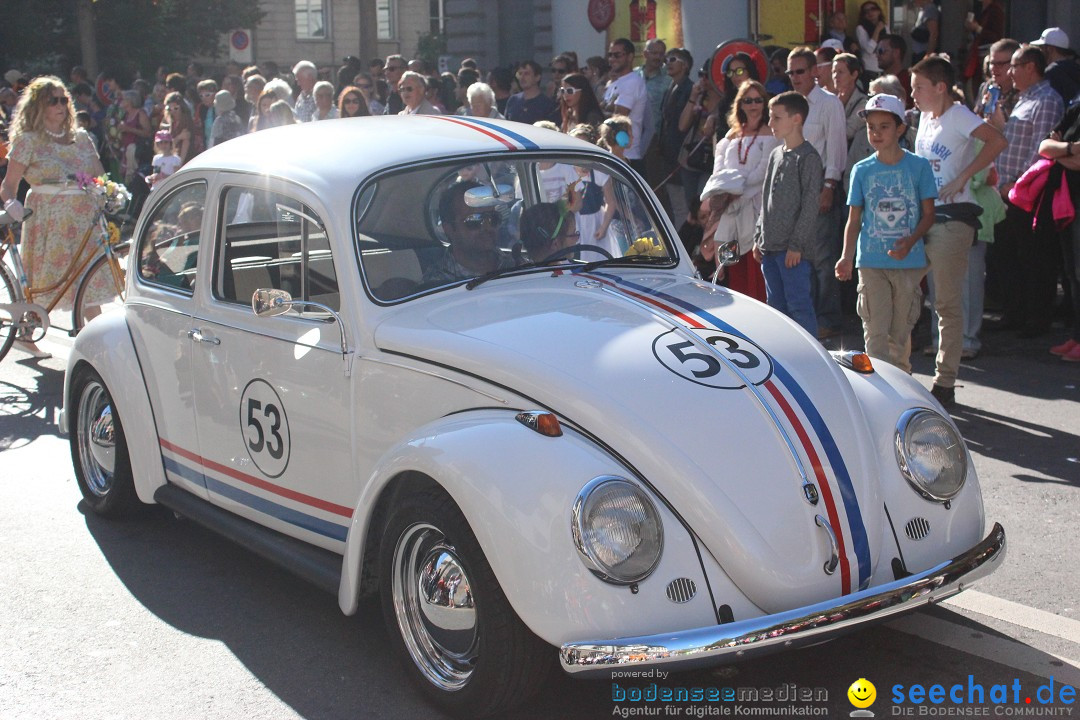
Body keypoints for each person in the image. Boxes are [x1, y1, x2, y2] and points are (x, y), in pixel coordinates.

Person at [911, 56, 1007, 407]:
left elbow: (997, 140)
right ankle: (902, 371)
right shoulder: (924, 117)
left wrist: (964, 176)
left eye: (919, 87)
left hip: (954, 216)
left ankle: (945, 381)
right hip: (924, 214)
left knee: (946, 300)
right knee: (906, 292)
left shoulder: (960, 115)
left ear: (939, 87)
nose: (914, 94)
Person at [0, 77, 107, 356]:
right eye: (54, 100)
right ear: (39, 106)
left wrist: (107, 191)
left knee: (87, 278)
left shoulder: (81, 138)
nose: (61, 105)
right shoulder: (28, 140)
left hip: (84, 216)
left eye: (64, 100)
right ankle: (29, 331)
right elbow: (8, 184)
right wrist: (11, 203)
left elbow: (99, 175)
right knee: (51, 279)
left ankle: (100, 340)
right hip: (49, 217)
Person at [836, 94, 937, 375]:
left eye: (884, 126)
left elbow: (929, 214)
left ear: (900, 129)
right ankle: (879, 392)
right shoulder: (862, 170)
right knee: (875, 332)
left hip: (908, 263)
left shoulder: (919, 167)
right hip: (870, 262)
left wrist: (911, 241)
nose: (876, 133)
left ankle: (902, 387)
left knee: (900, 335)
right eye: (871, 127)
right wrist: (846, 257)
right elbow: (854, 219)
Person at [989, 44, 1065, 338]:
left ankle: (1036, 318)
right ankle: (1015, 312)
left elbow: (1039, 149)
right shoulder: (1023, 98)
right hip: (1005, 189)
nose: (1009, 73)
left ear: (1030, 67)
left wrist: (1018, 183)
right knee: (1008, 254)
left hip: (1027, 192)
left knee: (1033, 257)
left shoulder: (1046, 99)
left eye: (1014, 66)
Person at [787, 46, 847, 339]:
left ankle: (829, 319)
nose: (795, 77)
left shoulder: (828, 103)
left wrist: (829, 186)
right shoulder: (788, 104)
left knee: (823, 259)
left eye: (800, 71)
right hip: (794, 190)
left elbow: (836, 149)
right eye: (790, 72)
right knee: (800, 258)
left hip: (820, 185)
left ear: (814, 72)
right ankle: (805, 317)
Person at [752, 91, 823, 335]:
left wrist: (796, 245)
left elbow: (810, 205)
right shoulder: (775, 154)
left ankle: (809, 360)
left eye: (776, 118)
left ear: (796, 119)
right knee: (776, 309)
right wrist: (759, 236)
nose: (770, 123)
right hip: (770, 247)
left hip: (793, 252)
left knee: (799, 307)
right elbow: (765, 198)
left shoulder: (809, 157)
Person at [699, 80, 777, 302]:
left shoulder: (771, 134)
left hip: (757, 207)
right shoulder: (729, 138)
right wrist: (726, 194)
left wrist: (736, 191)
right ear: (740, 104)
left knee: (756, 265)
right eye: (748, 100)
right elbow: (719, 171)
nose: (753, 105)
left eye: (758, 100)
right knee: (734, 267)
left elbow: (763, 171)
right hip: (730, 209)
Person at [1039, 104, 1080, 362]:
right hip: (1068, 204)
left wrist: (1060, 151)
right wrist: (1071, 149)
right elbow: (1044, 147)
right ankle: (1077, 336)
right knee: (1072, 274)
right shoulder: (1076, 110)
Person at [424, 180, 512, 284]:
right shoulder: (435, 284)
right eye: (474, 221)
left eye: (493, 218)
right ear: (449, 229)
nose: (488, 227)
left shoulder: (516, 266)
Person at [658, 47, 695, 224]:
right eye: (666, 61)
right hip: (668, 156)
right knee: (674, 206)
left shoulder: (690, 90)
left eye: (673, 59)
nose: (668, 64)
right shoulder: (670, 88)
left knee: (683, 207)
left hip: (682, 157)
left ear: (685, 65)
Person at [603, 38, 649, 175]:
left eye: (617, 55)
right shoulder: (614, 83)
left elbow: (618, 120)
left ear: (630, 57)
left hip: (628, 157)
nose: (612, 59)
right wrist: (609, 108)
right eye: (610, 55)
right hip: (613, 154)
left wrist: (607, 110)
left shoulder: (633, 82)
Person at [1032, 28, 1080, 105]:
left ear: (1050, 49)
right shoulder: (1076, 67)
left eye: (1041, 47)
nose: (1039, 51)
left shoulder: (1051, 72)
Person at [506, 61, 558, 126]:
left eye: (526, 74)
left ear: (537, 77)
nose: (522, 77)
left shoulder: (547, 104)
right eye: (520, 74)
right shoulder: (513, 100)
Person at [162, 91, 199, 163]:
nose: (173, 112)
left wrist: (180, 163)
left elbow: (186, 142)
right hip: (173, 157)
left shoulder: (186, 122)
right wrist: (179, 137)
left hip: (186, 160)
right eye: (170, 109)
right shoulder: (173, 122)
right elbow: (170, 144)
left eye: (176, 108)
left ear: (182, 107)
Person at [875, 34, 911, 106]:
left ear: (896, 53)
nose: (877, 55)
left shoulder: (909, 81)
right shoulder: (878, 80)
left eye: (881, 51)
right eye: (876, 51)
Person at [856, 2, 888, 74]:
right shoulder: (861, 28)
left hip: (884, 67)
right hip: (870, 68)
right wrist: (877, 30)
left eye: (873, 9)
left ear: (878, 11)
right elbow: (869, 49)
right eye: (866, 11)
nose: (870, 12)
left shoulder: (885, 27)